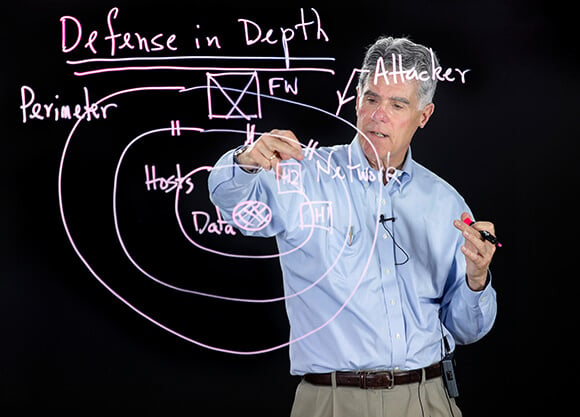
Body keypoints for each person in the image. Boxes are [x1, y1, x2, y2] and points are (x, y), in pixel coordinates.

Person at [208, 36, 497, 417]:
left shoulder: (445, 203)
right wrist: (244, 162)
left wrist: (478, 279)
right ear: (356, 99)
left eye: (397, 104)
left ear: (423, 116)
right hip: (331, 402)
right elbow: (231, 202)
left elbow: (465, 329)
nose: (379, 114)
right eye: (371, 98)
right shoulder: (300, 176)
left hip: (427, 401)